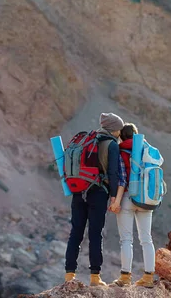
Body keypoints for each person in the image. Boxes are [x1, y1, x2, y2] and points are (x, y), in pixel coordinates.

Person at [64, 113, 124, 286]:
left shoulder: (87, 140)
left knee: (76, 232)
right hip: (98, 192)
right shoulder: (111, 144)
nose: (119, 133)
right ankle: (95, 277)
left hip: (79, 191)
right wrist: (114, 196)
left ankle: (69, 275)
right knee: (95, 234)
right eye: (119, 130)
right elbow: (113, 173)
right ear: (114, 129)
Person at [110, 123, 156, 288]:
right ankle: (149, 277)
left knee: (126, 240)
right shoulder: (147, 149)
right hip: (145, 198)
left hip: (128, 197)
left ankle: (125, 277)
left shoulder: (119, 151)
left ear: (122, 136)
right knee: (146, 239)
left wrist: (115, 200)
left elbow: (120, 178)